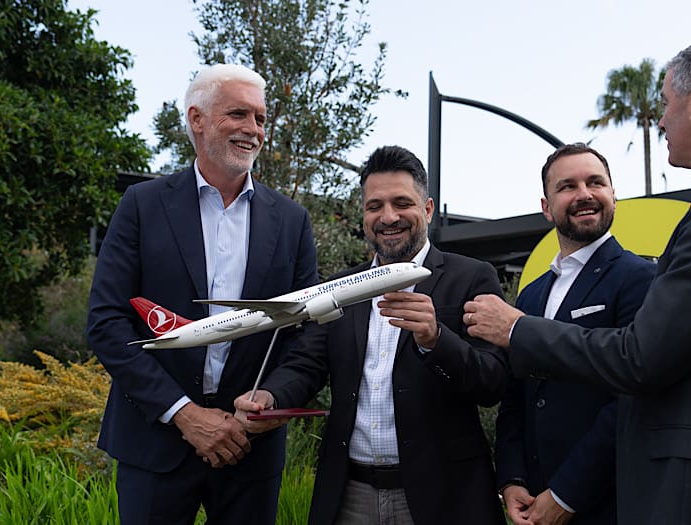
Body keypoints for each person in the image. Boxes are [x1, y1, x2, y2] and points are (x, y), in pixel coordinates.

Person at [464, 36, 691, 524]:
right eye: (566, 186)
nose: (660, 120)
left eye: (665, 103)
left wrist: (515, 330)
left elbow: (641, 358)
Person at [86, 64, 318, 525]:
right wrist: (184, 414)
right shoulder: (142, 205)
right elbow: (106, 322)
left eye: (261, 118)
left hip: (249, 448)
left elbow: (303, 335)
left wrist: (271, 398)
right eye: (239, 114)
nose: (254, 130)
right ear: (197, 119)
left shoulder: (293, 221)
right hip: (154, 443)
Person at [235, 145, 508, 525]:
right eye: (374, 206)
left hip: (444, 495)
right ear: (363, 215)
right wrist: (270, 395)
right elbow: (307, 362)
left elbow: (492, 382)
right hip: (350, 495)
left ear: (427, 209)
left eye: (402, 203)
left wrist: (436, 339)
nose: (389, 217)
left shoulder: (472, 276)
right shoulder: (340, 287)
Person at [495, 143, 655, 525]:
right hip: (531, 505)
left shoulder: (641, 279)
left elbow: (631, 401)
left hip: (607, 505)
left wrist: (567, 494)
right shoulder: (531, 293)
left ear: (614, 195)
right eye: (567, 186)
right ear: (546, 206)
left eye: (595, 182)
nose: (584, 194)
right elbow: (516, 397)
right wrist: (512, 479)